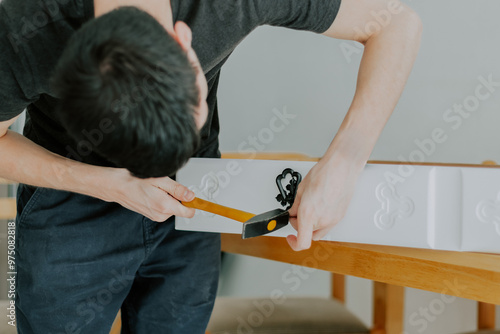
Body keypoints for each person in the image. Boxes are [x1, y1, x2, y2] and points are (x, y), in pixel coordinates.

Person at [0, 0, 422, 332]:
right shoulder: (23, 35)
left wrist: (345, 161)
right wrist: (105, 182)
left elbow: (397, 23)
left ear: (184, 42)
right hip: (71, 203)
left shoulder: (231, 3)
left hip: (196, 195)